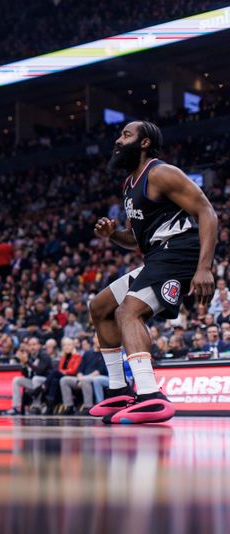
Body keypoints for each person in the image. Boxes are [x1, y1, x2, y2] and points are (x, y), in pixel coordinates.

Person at [89, 121, 217, 424]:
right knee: (100, 307)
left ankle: (150, 396)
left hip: (180, 255)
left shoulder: (161, 173)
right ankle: (119, 391)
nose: (118, 141)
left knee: (128, 312)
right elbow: (134, 240)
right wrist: (113, 235)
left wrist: (204, 268)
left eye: (126, 135)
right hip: (158, 257)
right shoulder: (128, 185)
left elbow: (206, 210)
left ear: (144, 143)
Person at [5, 338, 52, 415]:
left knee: (36, 379)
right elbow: (27, 375)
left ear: (39, 346)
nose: (32, 347)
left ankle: (36, 406)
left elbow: (40, 371)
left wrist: (27, 362)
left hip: (46, 381)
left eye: (34, 344)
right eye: (30, 345)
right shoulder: (29, 356)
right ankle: (16, 408)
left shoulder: (44, 355)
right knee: (17, 380)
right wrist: (24, 365)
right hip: (34, 381)